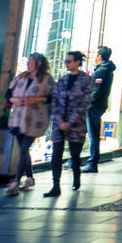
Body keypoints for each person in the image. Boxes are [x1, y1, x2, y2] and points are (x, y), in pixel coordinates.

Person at [45, 50, 93, 197]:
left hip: (76, 124)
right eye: (66, 61)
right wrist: (59, 120)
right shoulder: (62, 80)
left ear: (77, 62)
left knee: (75, 154)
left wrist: (70, 121)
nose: (66, 63)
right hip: (59, 123)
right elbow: (55, 100)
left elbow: (85, 102)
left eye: (69, 61)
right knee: (56, 153)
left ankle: (76, 177)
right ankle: (55, 185)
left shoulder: (86, 80)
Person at [6, 53, 52, 196]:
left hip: (35, 120)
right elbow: (8, 93)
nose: (28, 63)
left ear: (38, 63)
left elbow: (52, 96)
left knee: (24, 149)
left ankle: (16, 181)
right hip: (18, 118)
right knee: (23, 149)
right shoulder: (21, 77)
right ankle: (30, 178)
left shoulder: (47, 79)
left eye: (31, 61)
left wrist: (37, 98)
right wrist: (14, 100)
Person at [82, 46, 115, 173]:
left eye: (96, 54)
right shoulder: (106, 69)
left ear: (100, 56)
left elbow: (97, 91)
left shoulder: (102, 70)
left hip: (94, 106)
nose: (94, 56)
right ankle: (82, 160)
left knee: (93, 135)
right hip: (98, 104)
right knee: (90, 134)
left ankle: (92, 162)